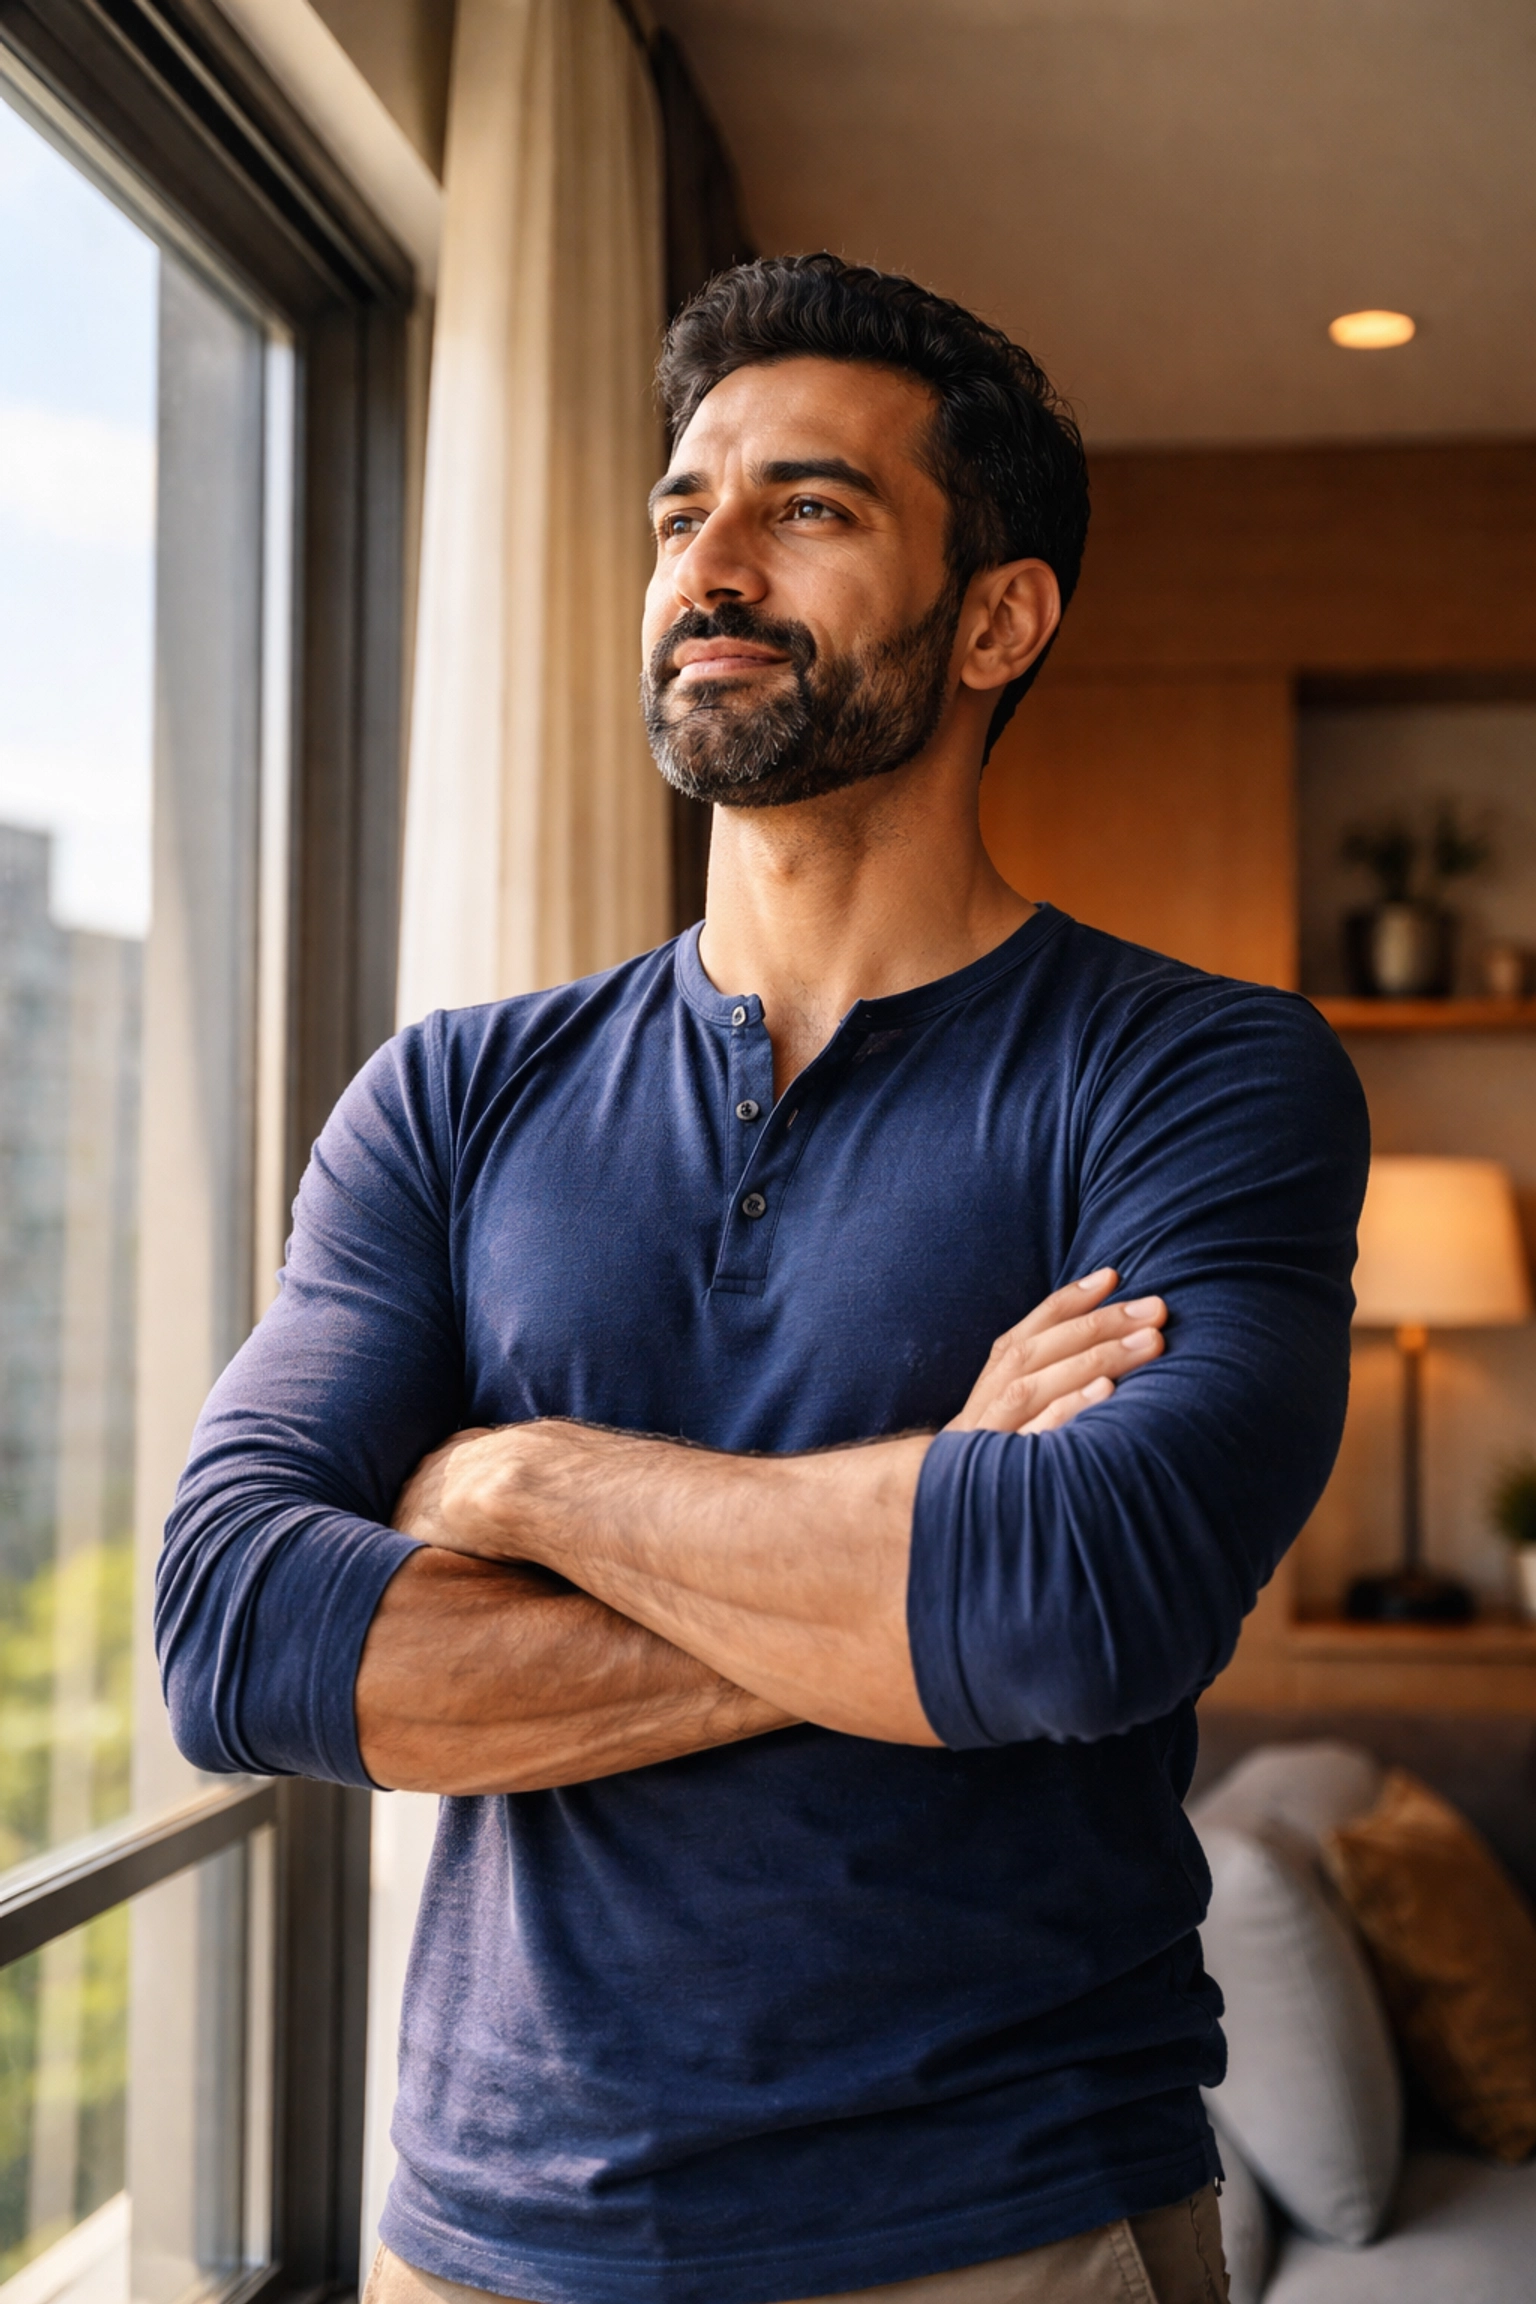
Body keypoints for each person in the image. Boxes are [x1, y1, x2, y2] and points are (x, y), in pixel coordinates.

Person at [157, 254, 1367, 2304]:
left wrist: (520, 1484)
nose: (708, 568)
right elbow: (237, 1636)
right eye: (680, 511)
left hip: (1003, 2229)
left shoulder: (1196, 1073)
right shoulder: (450, 1093)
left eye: (808, 507)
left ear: (997, 618)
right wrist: (908, 1553)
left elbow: (1083, 1602)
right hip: (481, 2238)